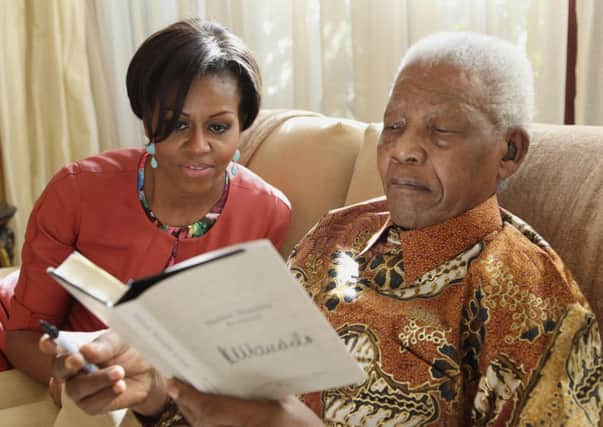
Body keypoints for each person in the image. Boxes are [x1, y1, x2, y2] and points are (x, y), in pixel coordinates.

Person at [40, 32, 602, 426]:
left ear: (509, 151)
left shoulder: (528, 299)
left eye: (442, 130)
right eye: (395, 125)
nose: (403, 150)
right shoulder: (337, 236)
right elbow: (240, 385)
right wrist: (153, 394)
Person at [2, 17, 291, 411]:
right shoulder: (76, 190)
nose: (198, 145)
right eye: (176, 124)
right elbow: (23, 333)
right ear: (147, 117)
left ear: (242, 126)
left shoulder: (268, 213)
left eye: (219, 127)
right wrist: (70, 375)